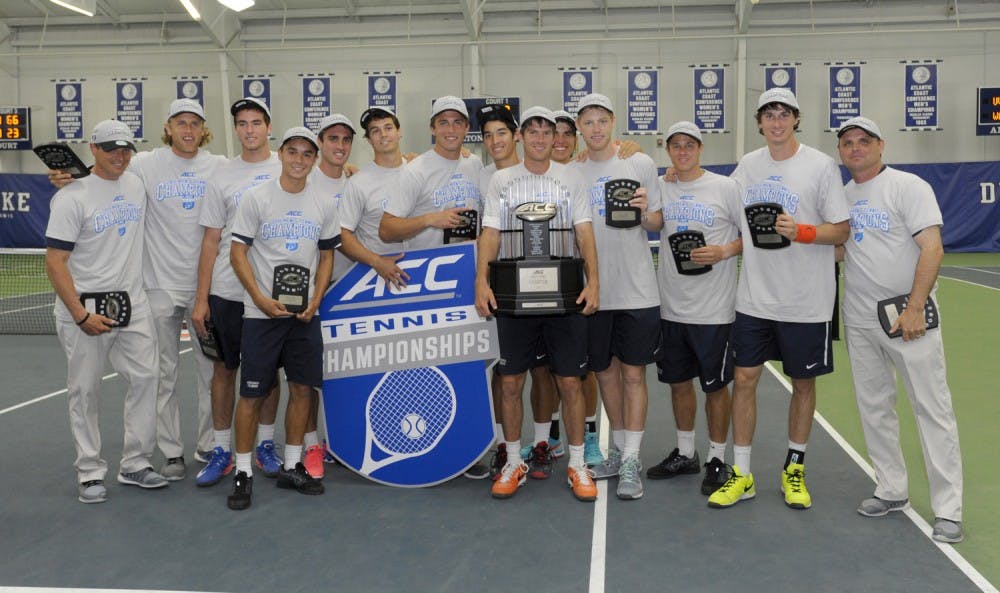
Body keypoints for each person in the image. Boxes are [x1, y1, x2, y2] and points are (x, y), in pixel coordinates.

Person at [49, 99, 224, 480]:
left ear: (203, 128)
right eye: (181, 122)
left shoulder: (215, 166)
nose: (189, 129)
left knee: (203, 376)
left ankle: (194, 450)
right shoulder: (142, 165)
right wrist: (69, 178)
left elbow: (265, 168)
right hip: (154, 289)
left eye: (195, 123)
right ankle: (159, 455)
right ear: (169, 127)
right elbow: (95, 182)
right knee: (150, 378)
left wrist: (342, 170)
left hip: (192, 292)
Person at [708, 88, 850, 510]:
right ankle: (743, 473)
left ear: (795, 118)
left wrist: (802, 231)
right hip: (754, 299)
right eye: (768, 114)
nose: (776, 121)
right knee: (745, 380)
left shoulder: (821, 166)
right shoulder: (748, 166)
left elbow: (840, 230)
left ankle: (794, 469)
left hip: (807, 301)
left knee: (802, 384)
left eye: (783, 113)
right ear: (759, 122)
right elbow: (723, 208)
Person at [836, 116, 964, 543]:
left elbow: (932, 247)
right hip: (859, 319)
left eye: (863, 141)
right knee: (874, 407)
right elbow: (840, 249)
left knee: (932, 408)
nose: (855, 148)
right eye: (848, 143)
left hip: (907, 318)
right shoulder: (841, 196)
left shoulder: (908, 187)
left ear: (880, 145)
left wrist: (914, 308)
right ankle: (891, 489)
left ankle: (948, 509)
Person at [475, 105, 600, 502]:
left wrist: (594, 281)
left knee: (569, 381)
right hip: (513, 298)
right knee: (511, 381)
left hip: (564, 297)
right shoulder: (501, 181)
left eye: (548, 131)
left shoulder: (572, 178)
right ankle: (513, 461)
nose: (541, 138)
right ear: (521, 137)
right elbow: (490, 234)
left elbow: (584, 232)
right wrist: (482, 281)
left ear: (555, 137)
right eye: (533, 131)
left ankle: (578, 464)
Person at [45, 120, 168, 502]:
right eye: (112, 148)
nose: (121, 155)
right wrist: (81, 314)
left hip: (133, 305)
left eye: (126, 149)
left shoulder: (136, 182)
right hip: (83, 312)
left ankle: (135, 462)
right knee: (84, 390)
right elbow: (55, 262)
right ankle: (89, 470)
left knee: (147, 378)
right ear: (93, 149)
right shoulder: (71, 197)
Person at [226, 126, 340, 510]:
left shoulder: (324, 202)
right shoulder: (256, 198)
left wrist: (316, 300)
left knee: (303, 389)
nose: (299, 160)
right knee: (252, 394)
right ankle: (243, 471)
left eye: (307, 154)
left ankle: (293, 464)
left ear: (314, 159)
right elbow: (237, 253)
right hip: (260, 315)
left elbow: (327, 257)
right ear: (281, 153)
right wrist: (259, 298)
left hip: (305, 315)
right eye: (293, 152)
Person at [571, 93, 663, 501]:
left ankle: (631, 458)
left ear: (613, 123)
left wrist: (645, 212)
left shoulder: (638, 162)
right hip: (593, 293)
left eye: (601, 121)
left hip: (638, 289)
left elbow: (659, 220)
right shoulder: (572, 171)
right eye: (587, 122)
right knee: (605, 373)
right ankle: (621, 452)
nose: (595, 128)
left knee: (632, 374)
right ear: (579, 128)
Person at [191, 97, 283, 487]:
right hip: (227, 292)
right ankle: (221, 449)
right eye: (242, 123)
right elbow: (211, 240)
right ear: (236, 130)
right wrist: (201, 299)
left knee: (269, 376)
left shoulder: (290, 164)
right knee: (223, 372)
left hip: (272, 292)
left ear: (268, 127)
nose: (249, 130)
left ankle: (265, 445)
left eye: (256, 123)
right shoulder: (222, 176)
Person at [647, 121, 741, 496]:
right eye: (675, 146)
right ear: (668, 150)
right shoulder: (662, 185)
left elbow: (748, 234)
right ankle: (687, 452)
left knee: (715, 387)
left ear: (700, 148)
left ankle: (718, 457)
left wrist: (723, 251)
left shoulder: (725, 187)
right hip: (672, 307)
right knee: (678, 384)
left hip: (715, 310)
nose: (682, 151)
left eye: (689, 145)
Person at [300, 113, 358, 480]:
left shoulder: (354, 180)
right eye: (332, 139)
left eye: (345, 140)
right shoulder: (304, 180)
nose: (339, 146)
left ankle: (339, 441)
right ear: (320, 142)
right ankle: (311, 445)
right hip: (312, 294)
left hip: (349, 291)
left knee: (345, 374)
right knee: (308, 377)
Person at [379, 95, 483, 251]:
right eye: (443, 123)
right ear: (432, 129)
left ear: (466, 128)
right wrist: (429, 219)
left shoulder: (475, 163)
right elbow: (386, 230)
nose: (451, 129)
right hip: (429, 270)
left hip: (470, 265)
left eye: (457, 122)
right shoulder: (415, 171)